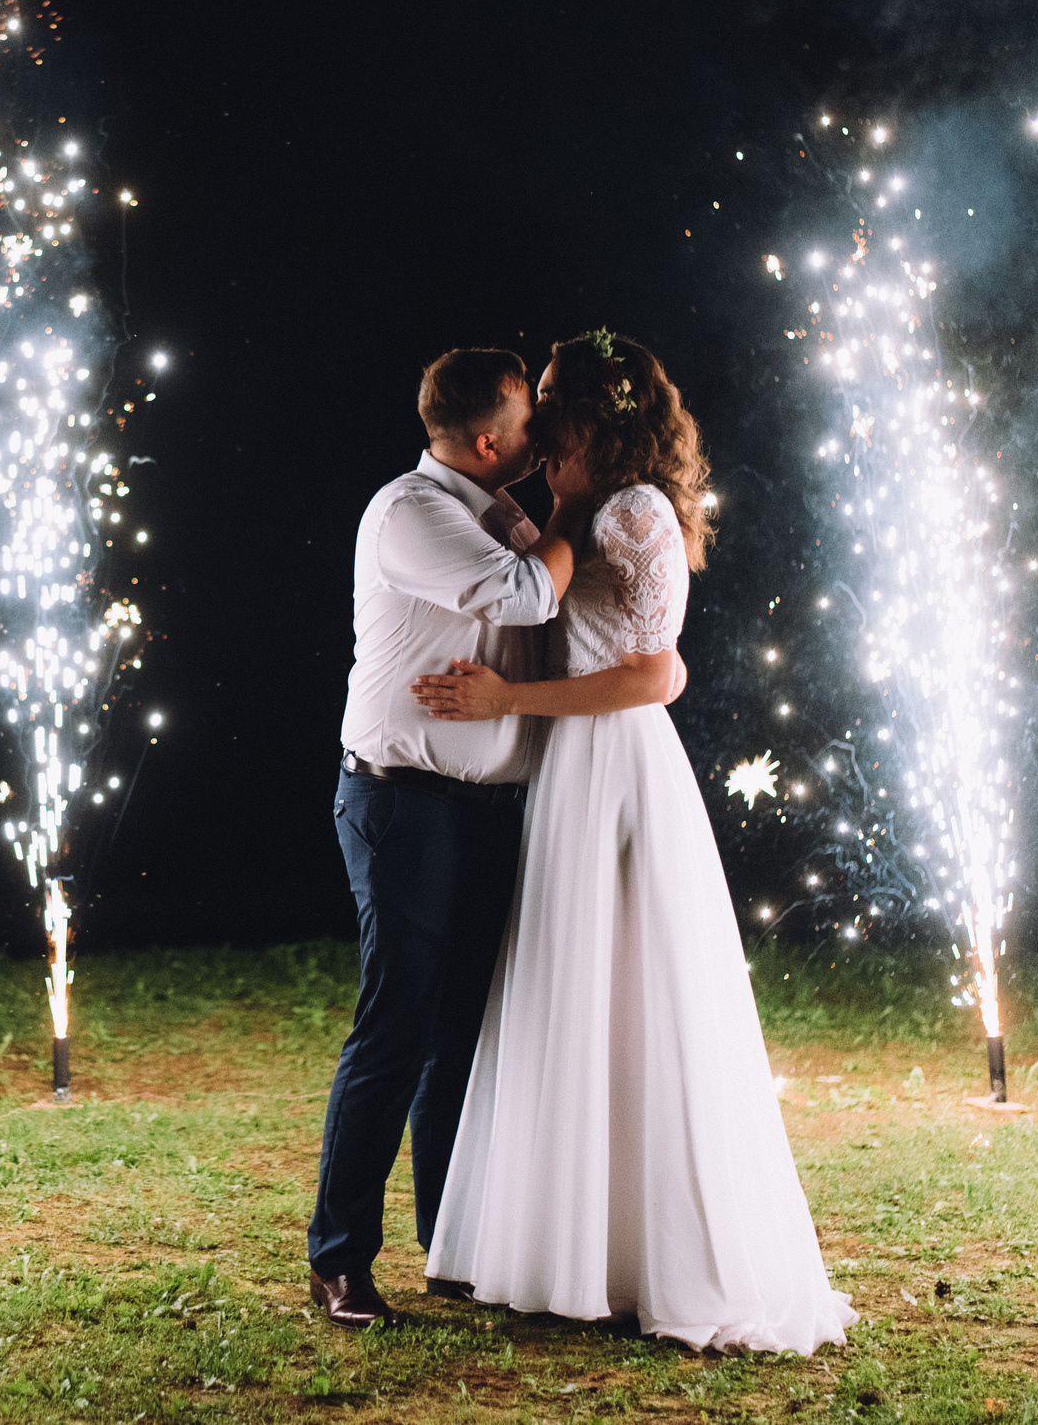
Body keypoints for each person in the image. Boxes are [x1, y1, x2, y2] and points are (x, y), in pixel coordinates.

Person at [412, 330, 856, 1355]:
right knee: (575, 989)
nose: (542, 409)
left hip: (617, 766)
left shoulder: (636, 510)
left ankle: (648, 1252)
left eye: (557, 392)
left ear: (601, 409)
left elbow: (655, 673)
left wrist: (507, 697)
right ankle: (573, 1245)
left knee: (633, 992)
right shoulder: (582, 508)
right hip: (577, 766)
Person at [309, 348, 684, 1331]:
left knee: (464, 1036)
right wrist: (569, 510)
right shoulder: (414, 513)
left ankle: (455, 1241)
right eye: (530, 419)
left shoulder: (508, 509)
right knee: (396, 1026)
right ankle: (338, 1258)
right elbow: (526, 595)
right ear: (486, 440)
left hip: (494, 808)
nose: (543, 436)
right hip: (405, 802)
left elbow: (620, 641)